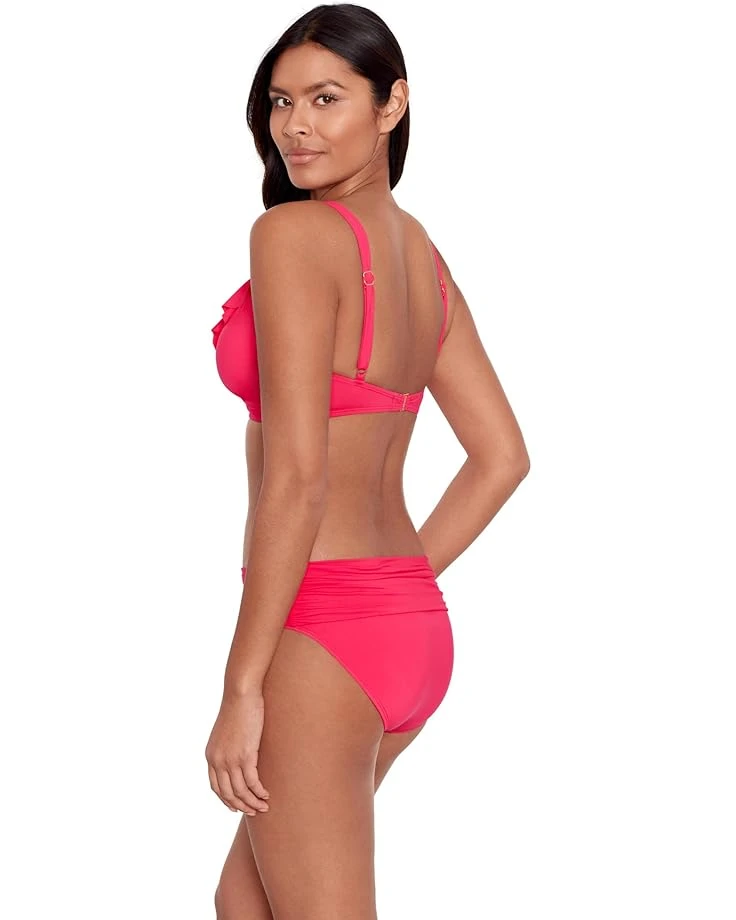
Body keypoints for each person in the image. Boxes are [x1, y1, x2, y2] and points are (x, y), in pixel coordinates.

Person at [205, 4, 530, 918]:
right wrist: (396, 589)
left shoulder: (291, 236)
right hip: (408, 629)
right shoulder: (420, 254)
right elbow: (502, 457)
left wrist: (241, 685)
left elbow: (298, 476)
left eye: (326, 98)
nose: (295, 126)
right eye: (281, 102)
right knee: (242, 903)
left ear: (392, 106)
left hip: (320, 634)